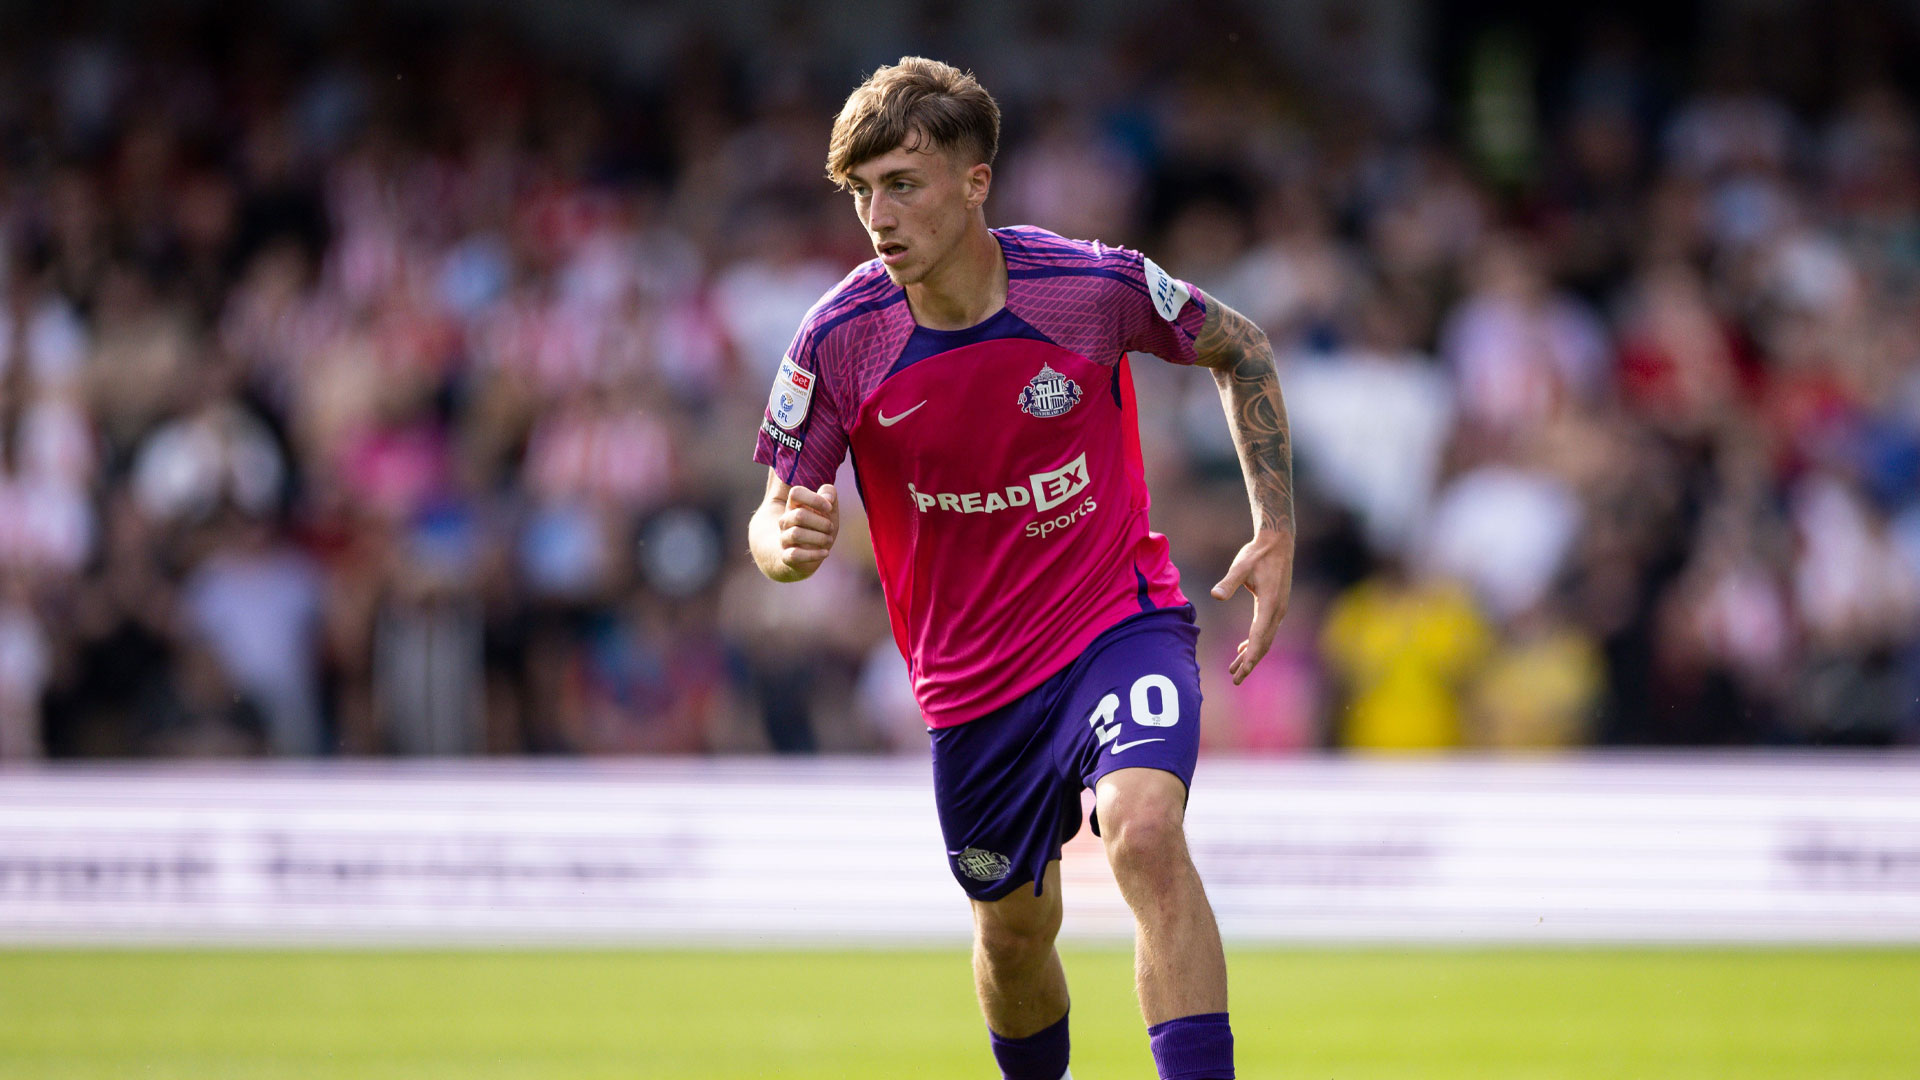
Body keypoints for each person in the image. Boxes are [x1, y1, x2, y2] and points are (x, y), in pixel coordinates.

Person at [747, 58, 1294, 1080]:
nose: (878, 213)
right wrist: (784, 547)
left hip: (1113, 623)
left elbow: (1244, 348)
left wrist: (1275, 526)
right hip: (972, 687)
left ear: (975, 183)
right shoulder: (838, 339)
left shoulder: (1092, 287)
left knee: (1141, 834)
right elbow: (774, 514)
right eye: (860, 190)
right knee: (1011, 930)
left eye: (902, 183)